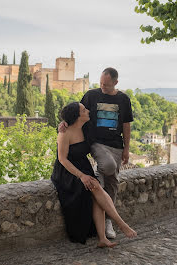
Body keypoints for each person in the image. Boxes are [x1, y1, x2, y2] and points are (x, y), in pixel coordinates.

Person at [59, 67, 133, 239]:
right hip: (97, 143)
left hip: (116, 145)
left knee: (112, 181)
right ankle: (99, 177)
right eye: (100, 83)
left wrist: (127, 148)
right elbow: (75, 111)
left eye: (106, 85)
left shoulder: (124, 99)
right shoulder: (91, 95)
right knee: (108, 166)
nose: (102, 87)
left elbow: (126, 126)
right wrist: (64, 122)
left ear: (116, 82)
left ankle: (108, 222)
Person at [51, 102, 137, 247]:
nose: (88, 111)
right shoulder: (64, 133)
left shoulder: (86, 127)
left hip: (83, 166)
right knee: (96, 188)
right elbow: (62, 159)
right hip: (67, 172)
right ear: (77, 116)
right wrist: (81, 176)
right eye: (84, 110)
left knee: (97, 194)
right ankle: (121, 224)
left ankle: (103, 238)